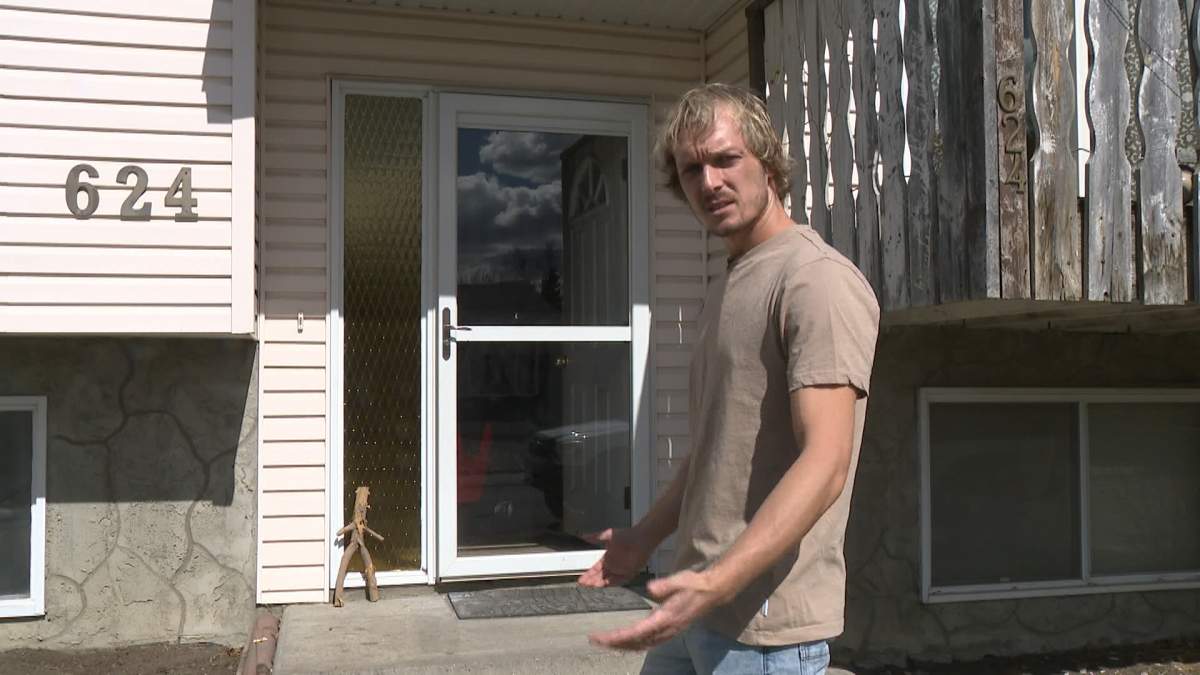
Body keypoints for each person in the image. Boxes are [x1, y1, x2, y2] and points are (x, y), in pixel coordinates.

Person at [577, 83, 880, 675]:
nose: (709, 182)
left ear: (768, 162)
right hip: (695, 605)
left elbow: (827, 464)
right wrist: (645, 536)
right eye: (692, 169)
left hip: (761, 630)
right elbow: (715, 446)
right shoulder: (730, 284)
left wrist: (718, 580)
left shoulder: (813, 281)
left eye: (725, 159)